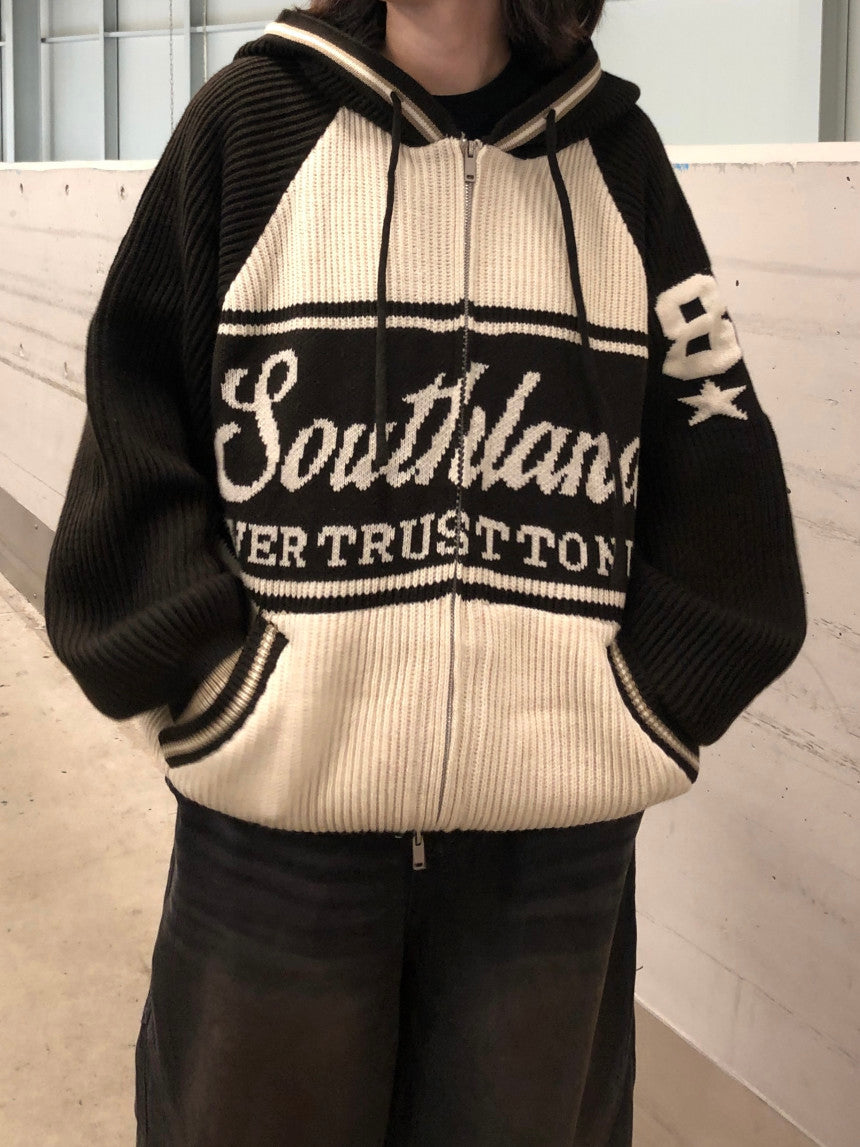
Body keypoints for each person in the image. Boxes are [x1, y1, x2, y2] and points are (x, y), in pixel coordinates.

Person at [43, 1, 807, 1142]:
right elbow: (133, 408)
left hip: (551, 862)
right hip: (277, 835)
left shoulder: (617, 160)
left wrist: (641, 704)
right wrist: (213, 681)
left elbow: (719, 457)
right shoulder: (249, 127)